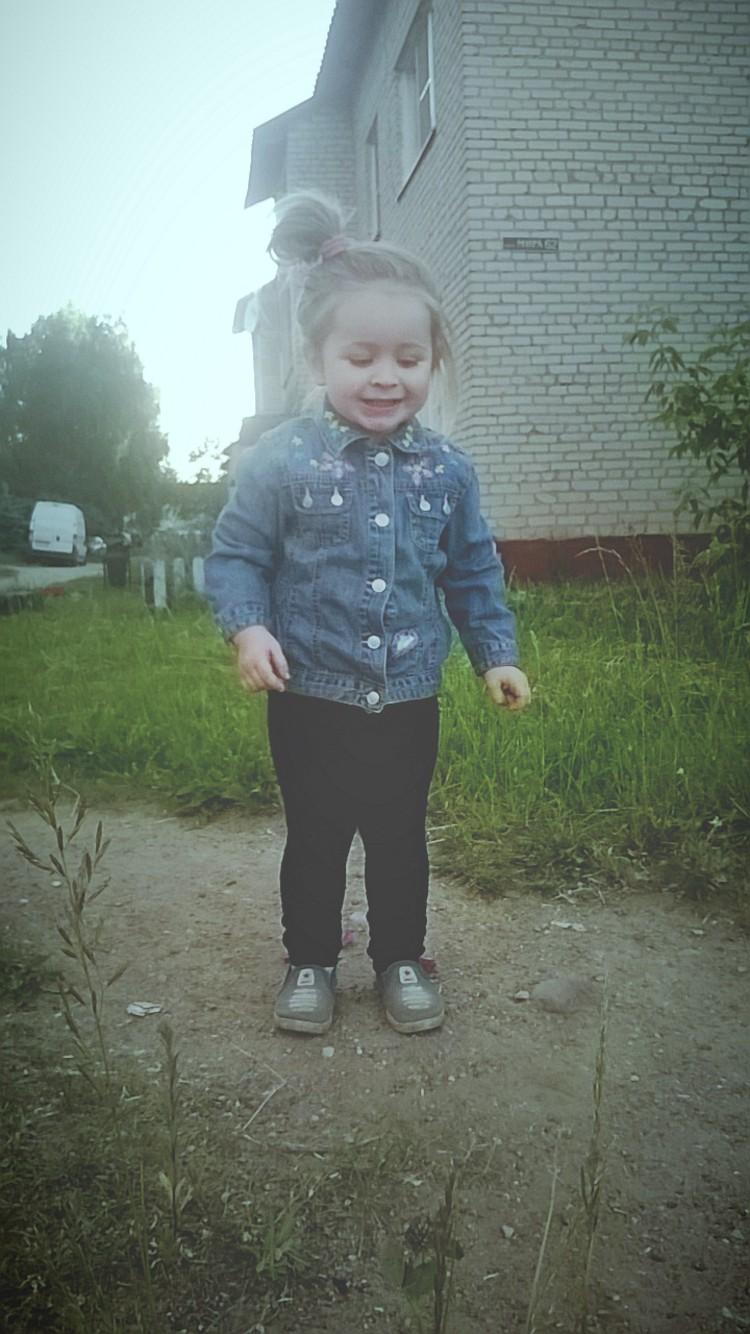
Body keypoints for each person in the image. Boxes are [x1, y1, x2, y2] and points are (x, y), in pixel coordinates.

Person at [204, 191, 531, 1037]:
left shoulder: (449, 470)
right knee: (315, 836)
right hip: (307, 693)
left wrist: (495, 653)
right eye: (361, 357)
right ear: (319, 358)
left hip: (409, 696)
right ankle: (310, 960)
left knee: (398, 837)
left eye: (408, 358)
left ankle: (400, 960)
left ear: (433, 362)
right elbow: (236, 553)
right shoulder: (280, 459)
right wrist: (248, 627)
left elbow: (472, 571)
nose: (386, 376)